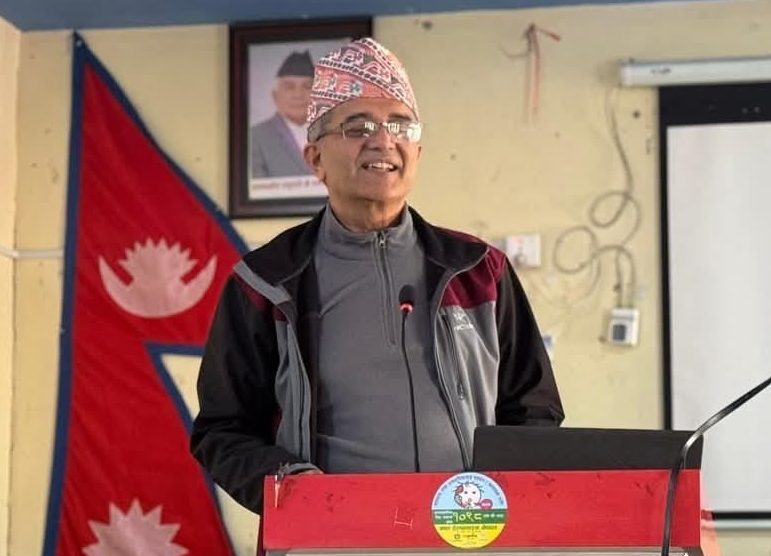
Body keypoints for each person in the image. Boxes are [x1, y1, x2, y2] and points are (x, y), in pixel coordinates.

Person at [191, 38, 564, 515]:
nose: (383, 140)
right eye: (358, 126)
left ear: (418, 152)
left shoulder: (479, 270)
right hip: (329, 534)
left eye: (401, 125)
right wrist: (293, 486)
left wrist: (502, 501)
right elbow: (223, 430)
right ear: (315, 159)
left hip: (468, 530)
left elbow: (534, 409)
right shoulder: (266, 281)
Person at [250, 50, 314, 178]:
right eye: (289, 87)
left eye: (307, 87)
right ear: (275, 96)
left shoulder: (331, 134)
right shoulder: (256, 137)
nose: (298, 95)